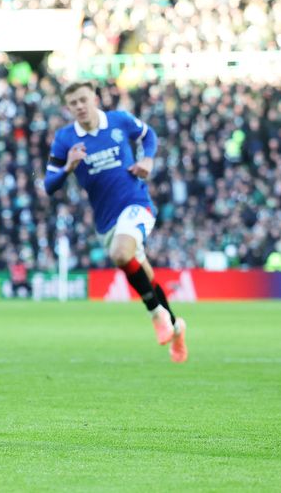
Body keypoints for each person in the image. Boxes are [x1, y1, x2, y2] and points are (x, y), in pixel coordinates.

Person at [43, 81, 187, 362]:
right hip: (106, 220)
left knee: (120, 253)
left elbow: (149, 135)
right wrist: (68, 168)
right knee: (144, 276)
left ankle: (156, 315)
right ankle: (176, 327)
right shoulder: (64, 139)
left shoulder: (119, 121)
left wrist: (148, 160)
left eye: (83, 100)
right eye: (73, 103)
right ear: (68, 107)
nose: (80, 107)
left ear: (95, 98)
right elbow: (49, 184)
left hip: (136, 203)